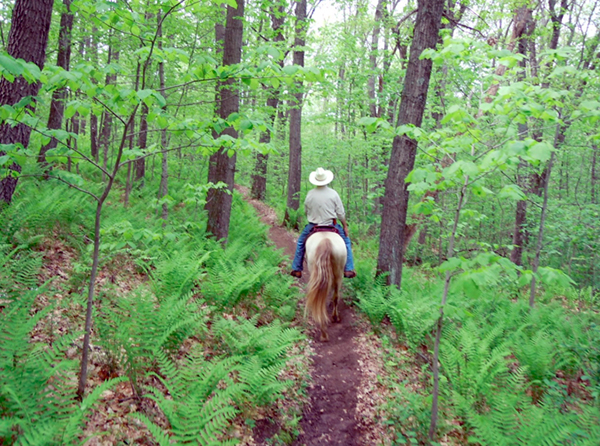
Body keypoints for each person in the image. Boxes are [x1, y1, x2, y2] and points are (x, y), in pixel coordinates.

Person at [290, 167, 356, 279]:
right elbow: (340, 213)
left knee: (301, 242)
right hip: (331, 224)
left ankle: (297, 268)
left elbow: (306, 211)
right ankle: (348, 268)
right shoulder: (333, 194)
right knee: (346, 242)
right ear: (326, 179)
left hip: (313, 225)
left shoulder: (310, 194)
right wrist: (344, 225)